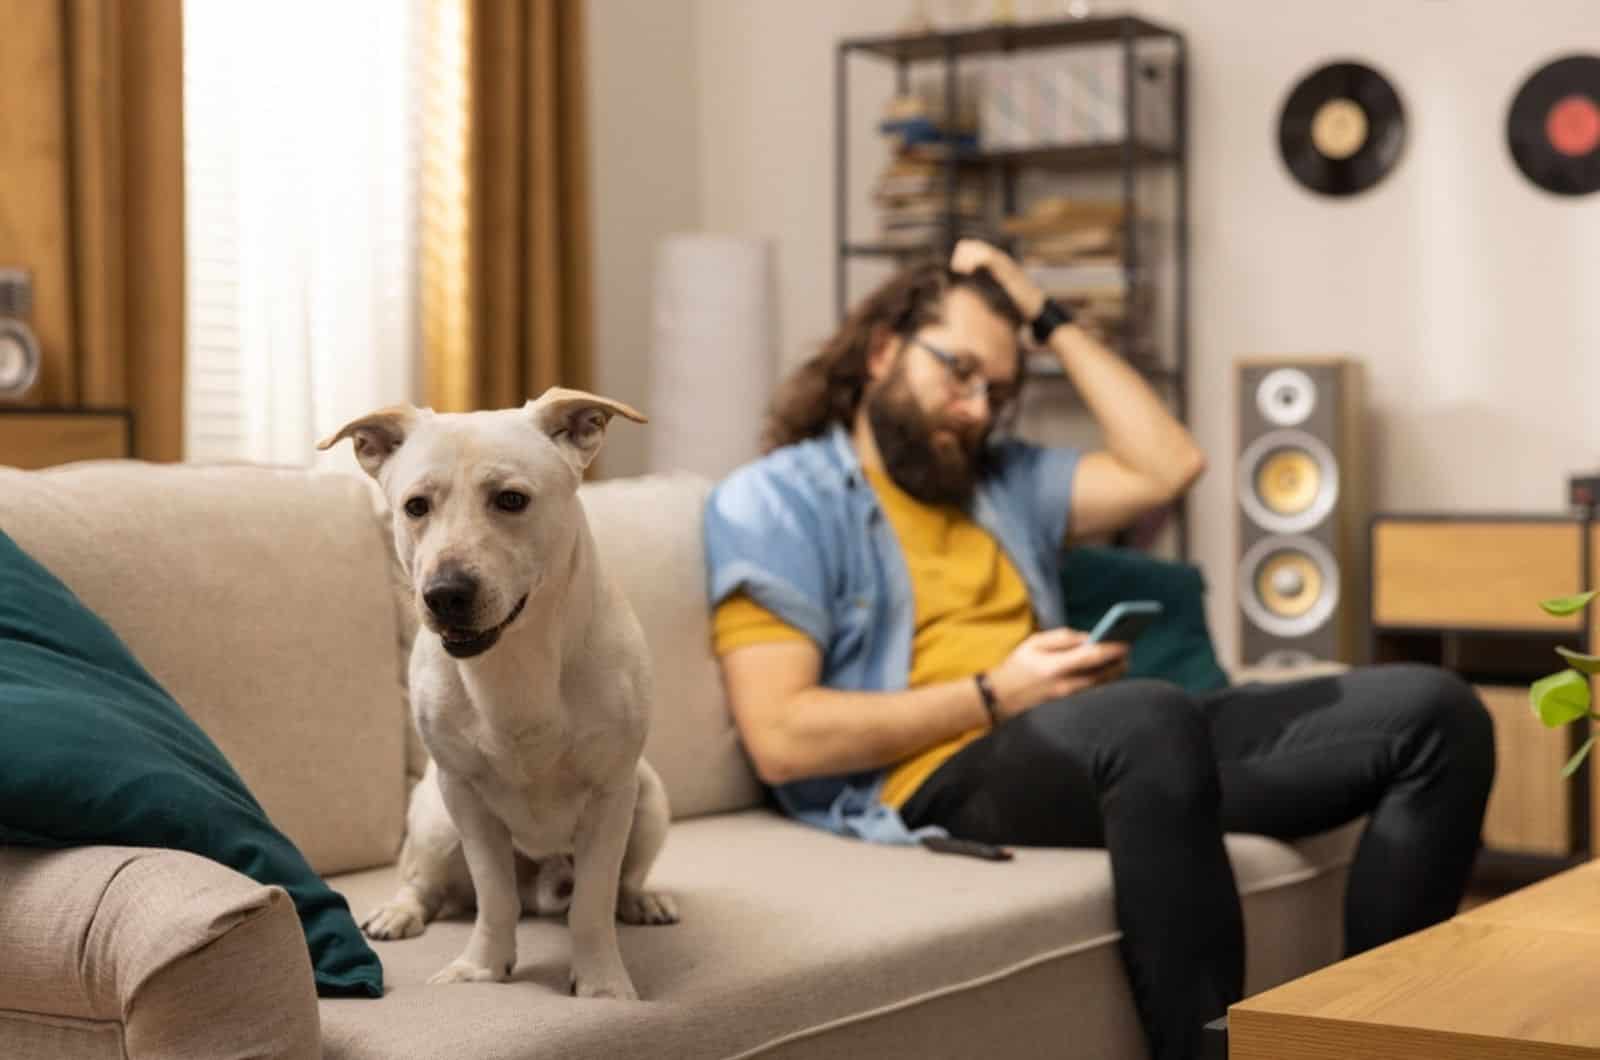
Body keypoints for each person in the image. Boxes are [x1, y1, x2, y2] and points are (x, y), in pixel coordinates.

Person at [702, 239, 1494, 1060]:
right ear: (880, 352)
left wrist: (1043, 311)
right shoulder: (775, 502)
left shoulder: (1000, 479)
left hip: (1097, 740)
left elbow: (1169, 464)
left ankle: (1375, 1042)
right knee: (1145, 717)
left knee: (1435, 713)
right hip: (934, 773)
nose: (977, 409)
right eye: (958, 371)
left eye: (1000, 392)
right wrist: (996, 693)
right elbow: (783, 737)